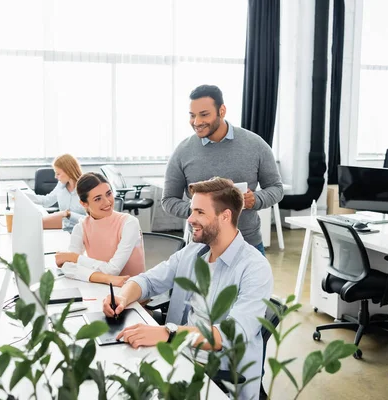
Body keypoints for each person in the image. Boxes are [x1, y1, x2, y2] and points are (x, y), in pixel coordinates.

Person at [102, 177, 273, 400]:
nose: (190, 218)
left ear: (225, 216)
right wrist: (122, 298)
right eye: (192, 211)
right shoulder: (193, 251)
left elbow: (231, 335)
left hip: (216, 375)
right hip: (178, 356)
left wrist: (168, 333)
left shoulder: (254, 267)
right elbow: (149, 280)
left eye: (200, 212)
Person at [162, 84, 284, 255]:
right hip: (201, 248)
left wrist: (254, 200)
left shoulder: (256, 145)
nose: (196, 122)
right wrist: (199, 211)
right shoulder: (182, 151)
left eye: (204, 114)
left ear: (222, 111)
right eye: (192, 115)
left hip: (248, 245)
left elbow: (276, 188)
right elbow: (168, 200)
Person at [56, 172, 145, 287]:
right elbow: (68, 268)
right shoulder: (81, 227)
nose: (107, 202)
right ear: (84, 203)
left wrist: (74, 257)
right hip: (102, 287)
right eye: (98, 199)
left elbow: (113, 270)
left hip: (132, 294)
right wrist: (107, 279)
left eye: (108, 194)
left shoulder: (129, 223)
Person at [27, 154, 87, 232]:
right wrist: (21, 195)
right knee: (33, 226)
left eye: (58, 173)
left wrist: (68, 215)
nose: (55, 177)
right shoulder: (61, 185)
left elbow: (92, 220)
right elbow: (46, 201)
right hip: (63, 230)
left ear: (69, 171)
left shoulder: (87, 188)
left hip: (82, 233)